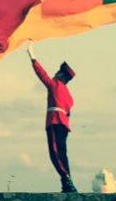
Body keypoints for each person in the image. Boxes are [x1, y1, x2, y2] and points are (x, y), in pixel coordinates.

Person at [26, 42, 78, 192]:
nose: (55, 73)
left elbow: (42, 75)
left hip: (54, 122)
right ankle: (67, 183)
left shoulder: (55, 84)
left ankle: (66, 179)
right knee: (63, 154)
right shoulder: (69, 96)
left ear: (61, 75)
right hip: (64, 125)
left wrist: (33, 58)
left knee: (55, 153)